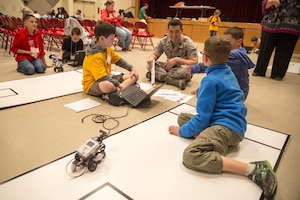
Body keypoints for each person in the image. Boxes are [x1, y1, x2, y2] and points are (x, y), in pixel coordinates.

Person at [168, 36, 277, 200]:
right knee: (183, 117)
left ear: (205, 58)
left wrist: (182, 132)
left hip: (228, 128)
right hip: (234, 123)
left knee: (190, 155)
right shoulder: (227, 71)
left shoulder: (209, 81)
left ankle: (253, 169)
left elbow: (204, 118)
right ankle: (213, 142)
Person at [185, 27, 255, 100]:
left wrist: (193, 69)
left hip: (234, 97)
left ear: (239, 42)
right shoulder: (240, 53)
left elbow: (211, 64)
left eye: (227, 42)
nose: (224, 45)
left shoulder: (232, 57)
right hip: (241, 92)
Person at [82, 21, 139, 105]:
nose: (113, 40)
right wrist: (119, 85)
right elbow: (102, 78)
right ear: (102, 38)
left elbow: (119, 61)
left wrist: (132, 68)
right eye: (111, 38)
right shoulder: (94, 56)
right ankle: (120, 90)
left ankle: (117, 92)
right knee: (108, 86)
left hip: (107, 78)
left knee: (133, 76)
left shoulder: (107, 49)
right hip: (93, 84)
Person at [252, 0, 300, 81]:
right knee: (265, 49)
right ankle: (260, 70)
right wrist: (271, 2)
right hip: (271, 22)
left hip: (292, 24)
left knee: (284, 52)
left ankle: (278, 73)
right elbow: (265, 3)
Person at [146, 19, 198, 90]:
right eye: (171, 31)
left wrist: (177, 60)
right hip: (168, 67)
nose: (173, 35)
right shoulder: (164, 41)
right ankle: (172, 81)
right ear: (167, 30)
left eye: (177, 32)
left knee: (186, 70)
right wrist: (152, 58)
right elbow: (155, 54)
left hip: (182, 69)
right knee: (150, 65)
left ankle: (159, 76)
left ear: (182, 31)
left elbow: (194, 62)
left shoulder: (189, 43)